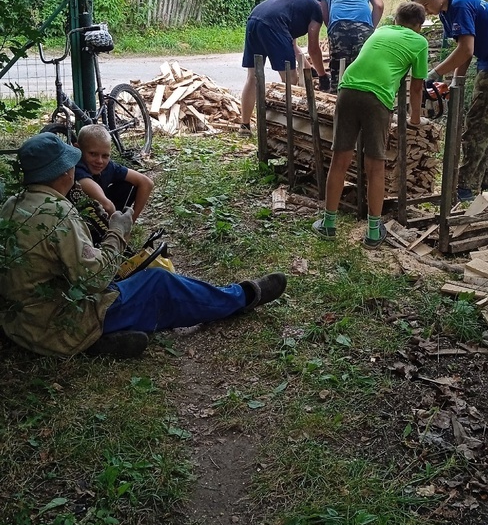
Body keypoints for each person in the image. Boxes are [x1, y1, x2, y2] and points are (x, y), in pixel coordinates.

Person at [0, 133, 287, 358]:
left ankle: (104, 341)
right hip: (58, 323)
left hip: (21, 325)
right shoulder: (57, 214)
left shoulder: (12, 205)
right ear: (64, 172)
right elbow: (96, 279)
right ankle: (242, 297)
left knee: (136, 288)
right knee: (158, 283)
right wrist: (117, 232)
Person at [312, 1, 428, 248]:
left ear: (396, 20)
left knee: (340, 159)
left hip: (348, 88)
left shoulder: (381, 31)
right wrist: (415, 119)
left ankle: (328, 224)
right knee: (375, 166)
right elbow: (417, 87)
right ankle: (374, 232)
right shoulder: (420, 42)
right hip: (377, 98)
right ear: (419, 26)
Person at [409, 0, 488, 202]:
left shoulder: (459, 6)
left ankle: (467, 187)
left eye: (426, 5)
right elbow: (465, 50)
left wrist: (435, 72)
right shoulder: (447, 11)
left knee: (479, 122)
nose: (426, 11)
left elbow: (466, 50)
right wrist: (454, 83)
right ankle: (486, 181)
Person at [240, 0, 330, 133]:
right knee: (290, 78)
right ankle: (281, 125)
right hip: (273, 24)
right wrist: (322, 75)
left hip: (254, 19)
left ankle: (244, 126)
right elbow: (313, 48)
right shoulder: (316, 10)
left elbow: (293, 46)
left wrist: (310, 70)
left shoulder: (295, 5)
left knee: (253, 77)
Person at [315, 0, 384, 90]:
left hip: (338, 23)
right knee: (362, 67)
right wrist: (370, 28)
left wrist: (331, 28)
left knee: (338, 69)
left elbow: (323, 10)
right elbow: (379, 5)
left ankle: (336, 100)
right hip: (364, 23)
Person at [75, 124, 154, 221]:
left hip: (99, 213)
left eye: (105, 156)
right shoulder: (76, 168)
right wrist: (118, 228)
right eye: (93, 154)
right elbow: (107, 206)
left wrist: (130, 222)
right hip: (77, 219)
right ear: (77, 149)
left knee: (128, 185)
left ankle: (114, 229)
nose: (99, 161)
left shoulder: (108, 166)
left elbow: (147, 183)